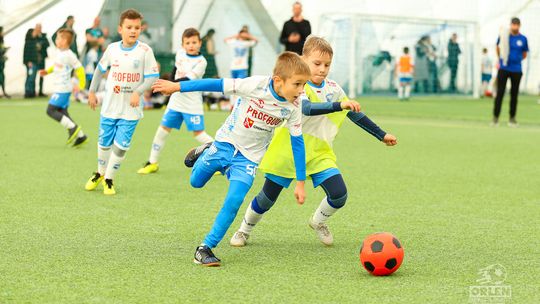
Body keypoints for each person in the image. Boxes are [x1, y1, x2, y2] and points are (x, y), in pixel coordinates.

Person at [228, 36, 397, 248]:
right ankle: (244, 230)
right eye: (317, 63)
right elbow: (307, 108)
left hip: (319, 153)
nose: (322, 69)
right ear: (303, 59)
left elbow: (354, 114)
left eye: (327, 65)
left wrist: (381, 135)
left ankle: (318, 221)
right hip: (289, 150)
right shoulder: (298, 87)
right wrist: (339, 105)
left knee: (339, 195)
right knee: (267, 199)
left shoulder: (334, 89)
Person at [152, 52, 312, 266]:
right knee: (195, 182)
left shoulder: (295, 105)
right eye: (298, 84)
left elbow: (298, 142)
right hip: (225, 144)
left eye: (304, 85)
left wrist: (300, 182)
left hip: (248, 160)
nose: (301, 90)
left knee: (235, 200)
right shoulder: (255, 85)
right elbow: (216, 84)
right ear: (278, 81)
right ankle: (206, 150)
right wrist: (176, 87)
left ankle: (205, 248)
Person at [84, 9, 159, 195]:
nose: (133, 31)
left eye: (137, 27)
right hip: (110, 106)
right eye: (129, 27)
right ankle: (99, 173)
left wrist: (138, 91)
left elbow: (153, 77)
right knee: (104, 143)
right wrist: (92, 92)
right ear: (120, 29)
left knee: (121, 146)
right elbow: (100, 70)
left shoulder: (145, 51)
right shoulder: (112, 49)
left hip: (131, 109)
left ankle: (109, 179)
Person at [138, 28, 212, 174]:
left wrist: (169, 86)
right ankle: (152, 162)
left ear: (200, 43)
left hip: (192, 104)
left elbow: (187, 80)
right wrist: (169, 87)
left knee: (199, 134)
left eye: (194, 42)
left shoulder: (201, 62)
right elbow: (175, 70)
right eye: (188, 42)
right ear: (183, 44)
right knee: (162, 130)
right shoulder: (179, 53)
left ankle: (219, 158)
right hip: (176, 102)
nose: (191, 45)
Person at [39, 29, 88, 147]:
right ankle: (81, 136)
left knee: (50, 110)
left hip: (63, 89)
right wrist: (47, 71)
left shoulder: (70, 55)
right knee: (63, 112)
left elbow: (80, 69)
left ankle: (73, 128)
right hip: (60, 88)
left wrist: (81, 85)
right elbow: (56, 66)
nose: (56, 40)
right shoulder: (59, 52)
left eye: (58, 38)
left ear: (64, 40)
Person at [492, 17, 529, 127]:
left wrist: (516, 60)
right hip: (504, 69)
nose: (515, 26)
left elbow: (524, 54)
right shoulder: (504, 36)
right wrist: (501, 59)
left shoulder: (523, 39)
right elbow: (498, 47)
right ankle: (495, 118)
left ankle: (512, 118)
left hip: (516, 70)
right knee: (500, 93)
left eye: (517, 25)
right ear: (511, 25)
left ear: (519, 26)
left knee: (514, 95)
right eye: (513, 24)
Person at [23, 24, 49, 98]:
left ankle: (32, 92)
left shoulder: (40, 38)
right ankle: (28, 92)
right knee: (30, 77)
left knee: (34, 77)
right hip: (31, 62)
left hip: (38, 61)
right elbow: (27, 53)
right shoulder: (29, 42)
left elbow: (47, 44)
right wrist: (28, 61)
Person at [0, 26, 10, 98]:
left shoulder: (1, 40)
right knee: (1, 77)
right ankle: (3, 92)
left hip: (1, 62)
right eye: (2, 31)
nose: (3, 33)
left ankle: (3, 92)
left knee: (2, 77)